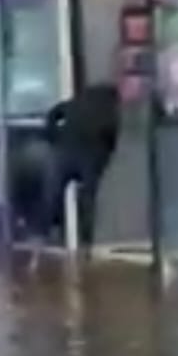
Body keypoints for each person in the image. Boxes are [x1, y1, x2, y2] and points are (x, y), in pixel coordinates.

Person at [40, 83, 121, 249]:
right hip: (90, 155)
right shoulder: (109, 109)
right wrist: (106, 153)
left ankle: (52, 230)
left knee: (54, 193)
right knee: (89, 196)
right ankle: (86, 237)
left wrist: (54, 136)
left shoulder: (75, 103)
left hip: (65, 151)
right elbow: (111, 134)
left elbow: (53, 115)